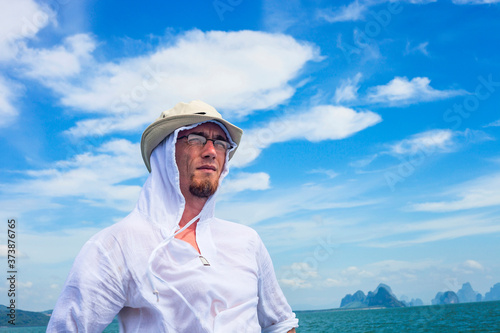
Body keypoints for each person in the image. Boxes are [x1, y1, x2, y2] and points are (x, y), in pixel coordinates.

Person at [47, 100, 298, 332]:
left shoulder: (247, 240)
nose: (212, 151)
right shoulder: (116, 245)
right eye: (197, 138)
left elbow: (281, 323)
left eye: (221, 143)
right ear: (165, 152)